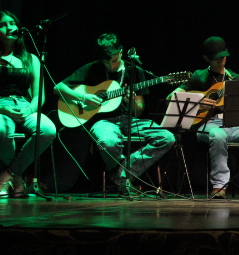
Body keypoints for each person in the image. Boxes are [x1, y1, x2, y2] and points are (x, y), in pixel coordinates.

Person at [55, 33, 175, 192]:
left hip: (129, 120)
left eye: (114, 60)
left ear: (121, 52)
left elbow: (138, 111)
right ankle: (124, 181)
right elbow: (58, 87)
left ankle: (120, 176)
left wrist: (132, 102)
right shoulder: (92, 68)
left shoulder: (135, 71)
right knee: (109, 141)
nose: (111, 66)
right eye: (106, 62)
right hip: (102, 121)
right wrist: (83, 98)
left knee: (167, 138)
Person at [172, 36, 239, 199]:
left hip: (233, 124)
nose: (221, 61)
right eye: (216, 58)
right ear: (206, 58)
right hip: (207, 124)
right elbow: (173, 96)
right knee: (218, 134)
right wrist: (199, 100)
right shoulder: (199, 76)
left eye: (223, 57)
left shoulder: (235, 78)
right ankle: (219, 186)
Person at [0, 11, 56, 198]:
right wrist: (3, 109)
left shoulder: (31, 58)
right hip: (1, 105)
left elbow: (39, 95)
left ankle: (9, 174)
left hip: (25, 104)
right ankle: (17, 180)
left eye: (12, 23)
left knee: (48, 129)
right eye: (3, 25)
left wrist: (29, 109)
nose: (10, 27)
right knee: (2, 130)